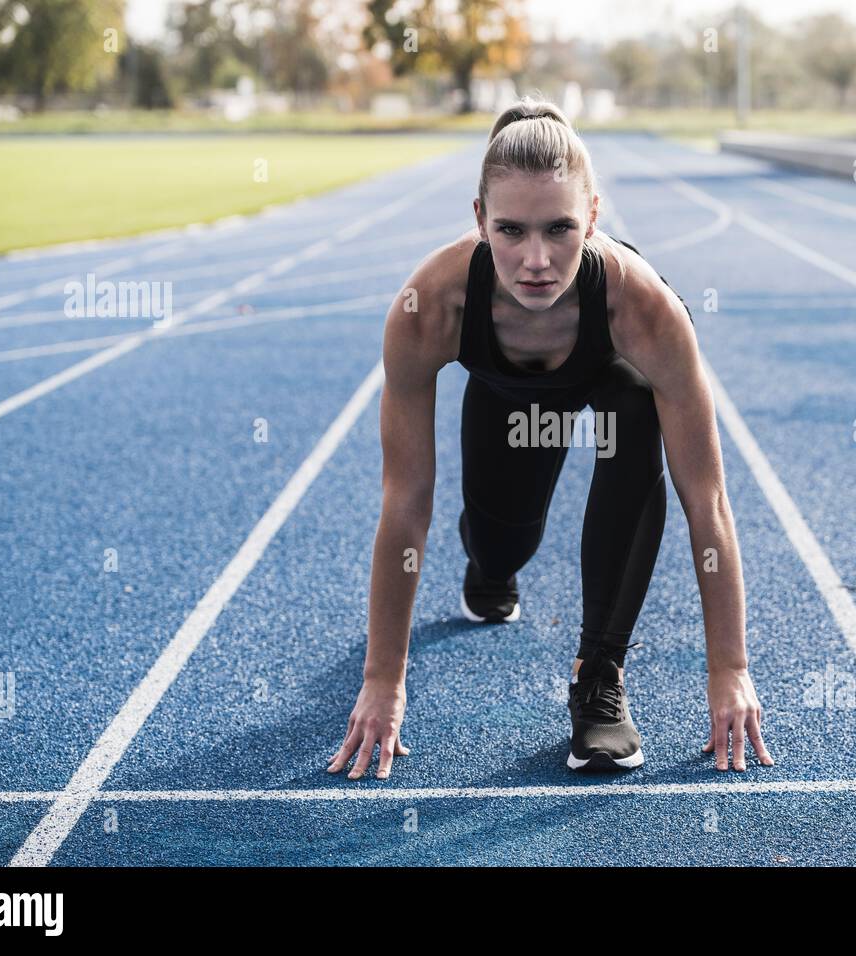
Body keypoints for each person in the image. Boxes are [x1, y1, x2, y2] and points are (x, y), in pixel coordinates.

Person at [327, 96, 773, 779]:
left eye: (560, 229)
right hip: (505, 397)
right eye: (511, 230)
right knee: (504, 541)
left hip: (606, 375)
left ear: (594, 216)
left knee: (632, 406)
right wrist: (384, 680)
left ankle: (598, 678)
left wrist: (731, 668)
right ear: (479, 221)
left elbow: (705, 500)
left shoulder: (645, 308)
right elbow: (406, 501)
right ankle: (490, 562)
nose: (536, 259)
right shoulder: (429, 308)